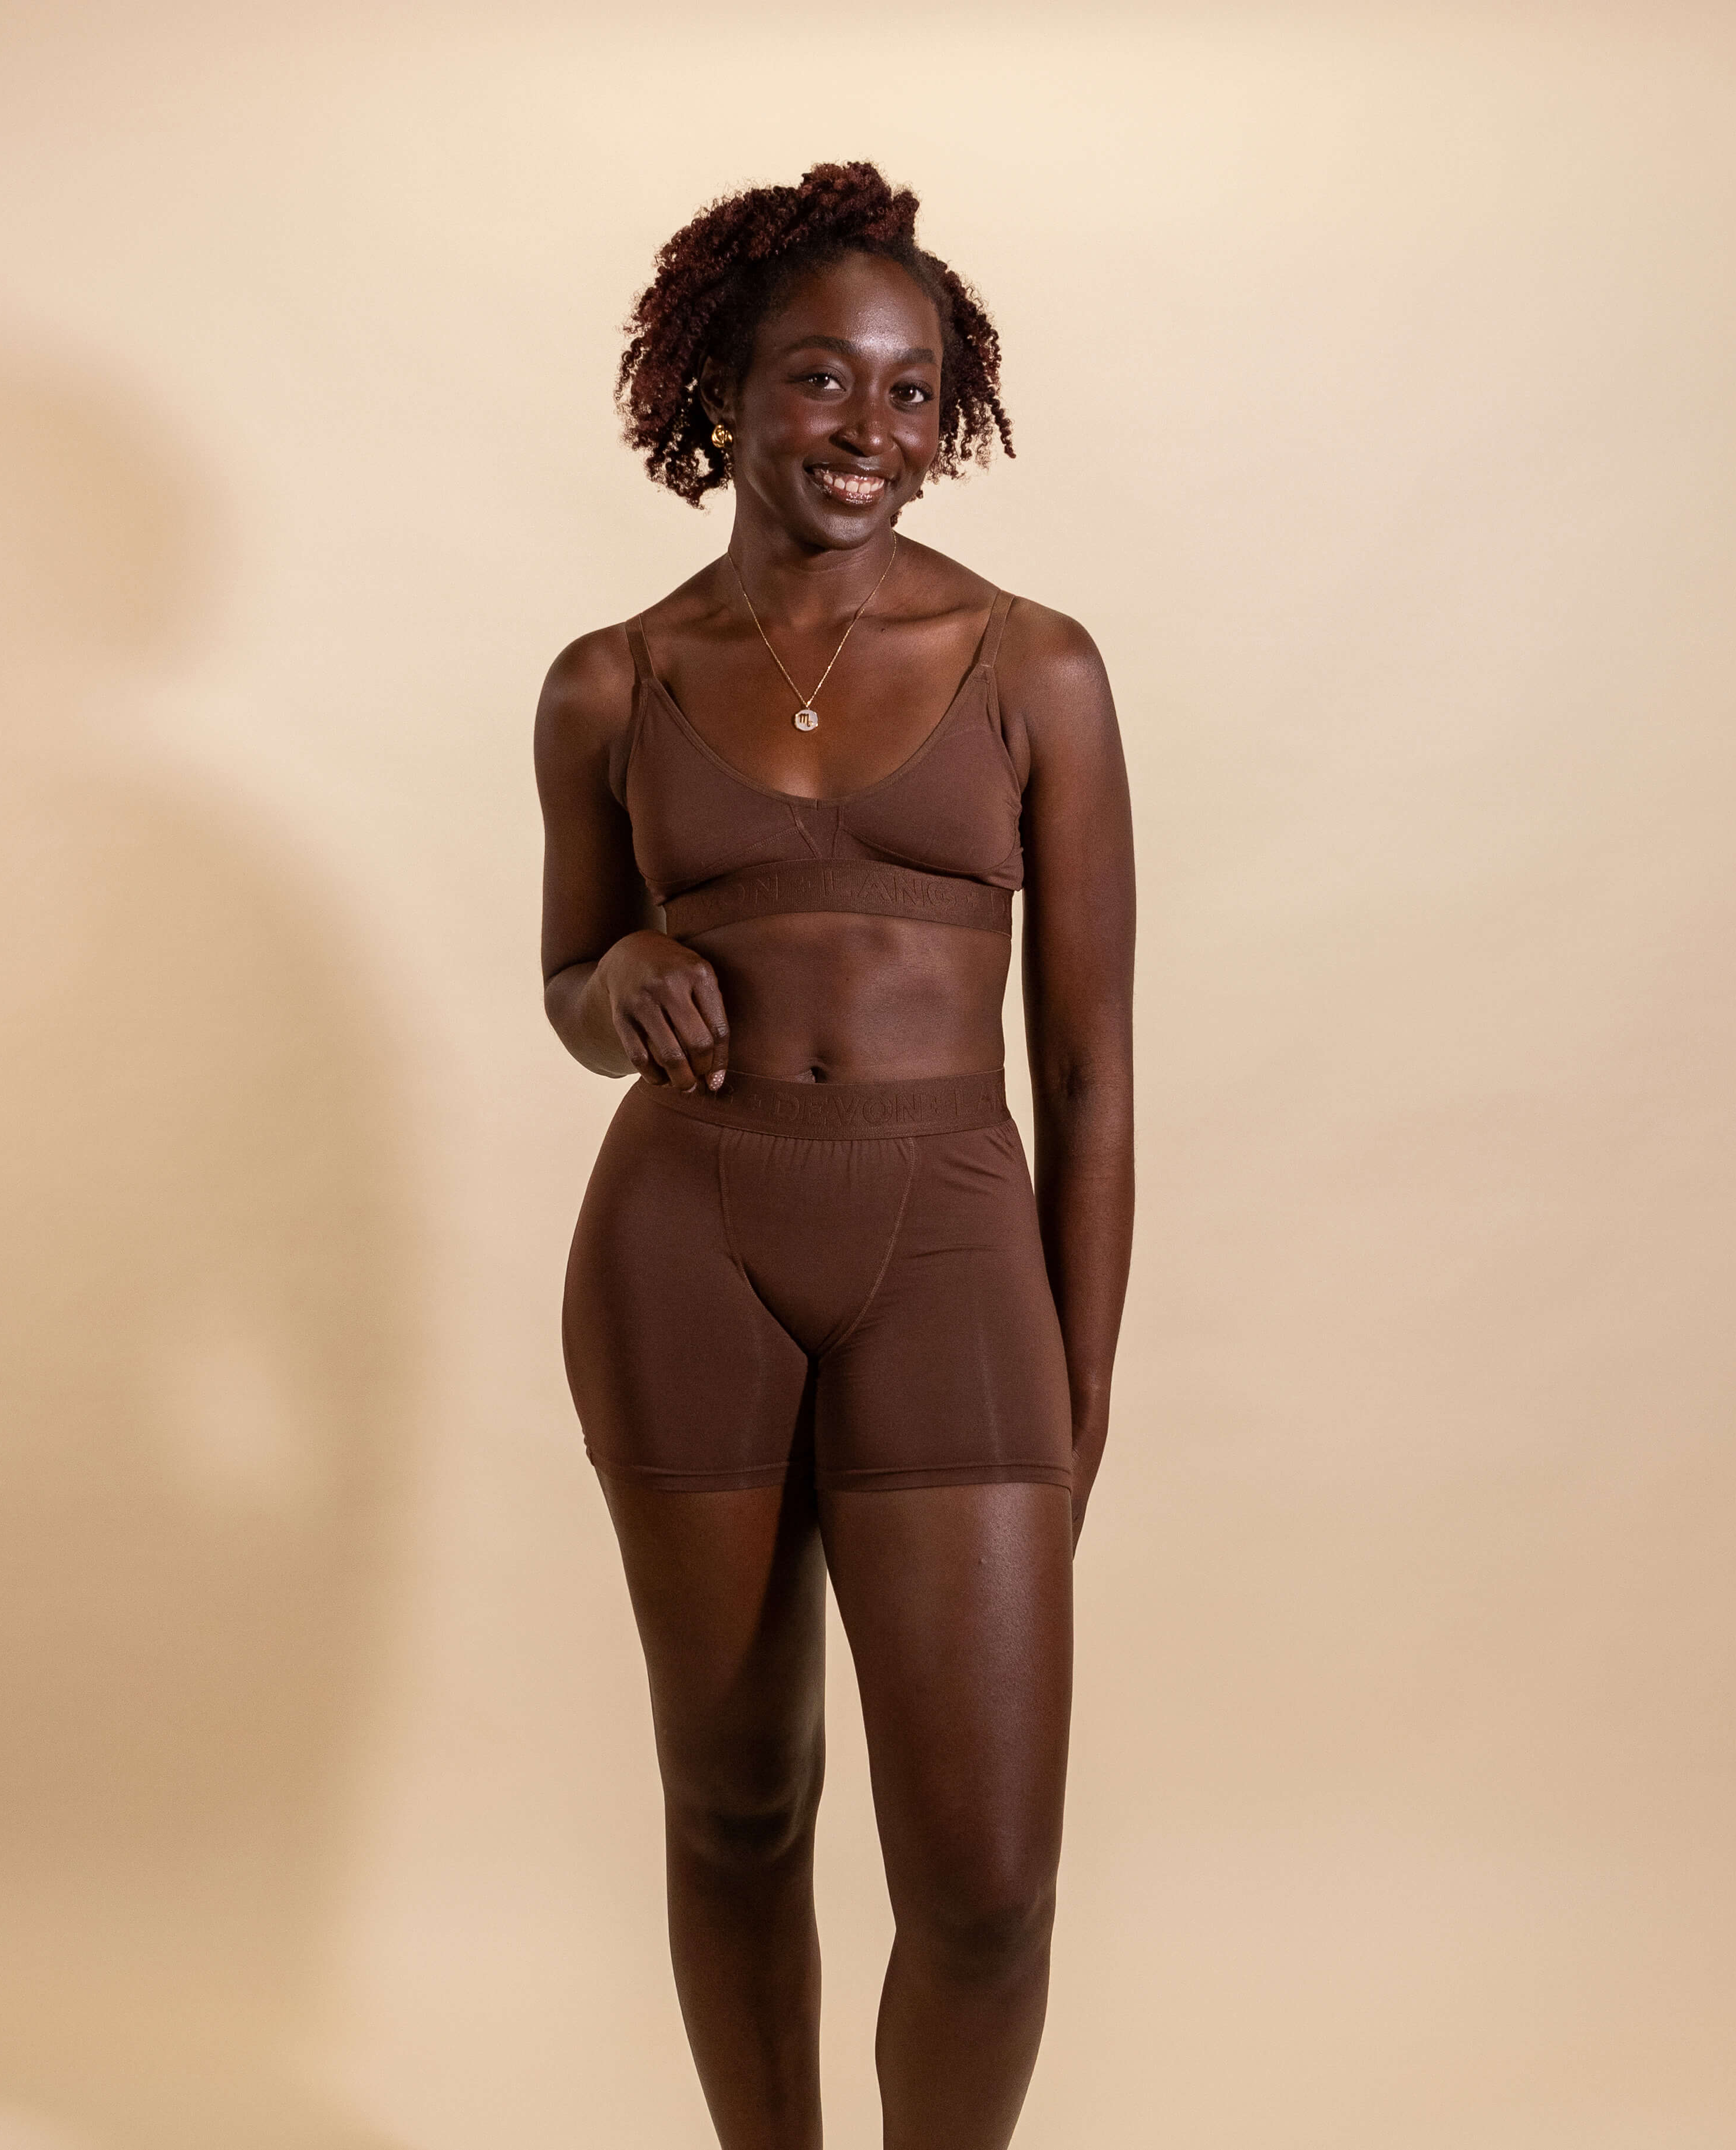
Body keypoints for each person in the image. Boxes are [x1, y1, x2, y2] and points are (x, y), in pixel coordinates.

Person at [535, 161, 1134, 2150]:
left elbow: (1093, 1063)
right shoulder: (609, 682)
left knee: (983, 1886)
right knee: (733, 1804)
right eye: (820, 380)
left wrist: (1081, 1384)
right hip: (681, 1244)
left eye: (909, 391)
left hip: (952, 1252)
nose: (868, 432)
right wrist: (616, 971)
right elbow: (565, 976)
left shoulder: (1032, 664)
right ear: (727, 382)